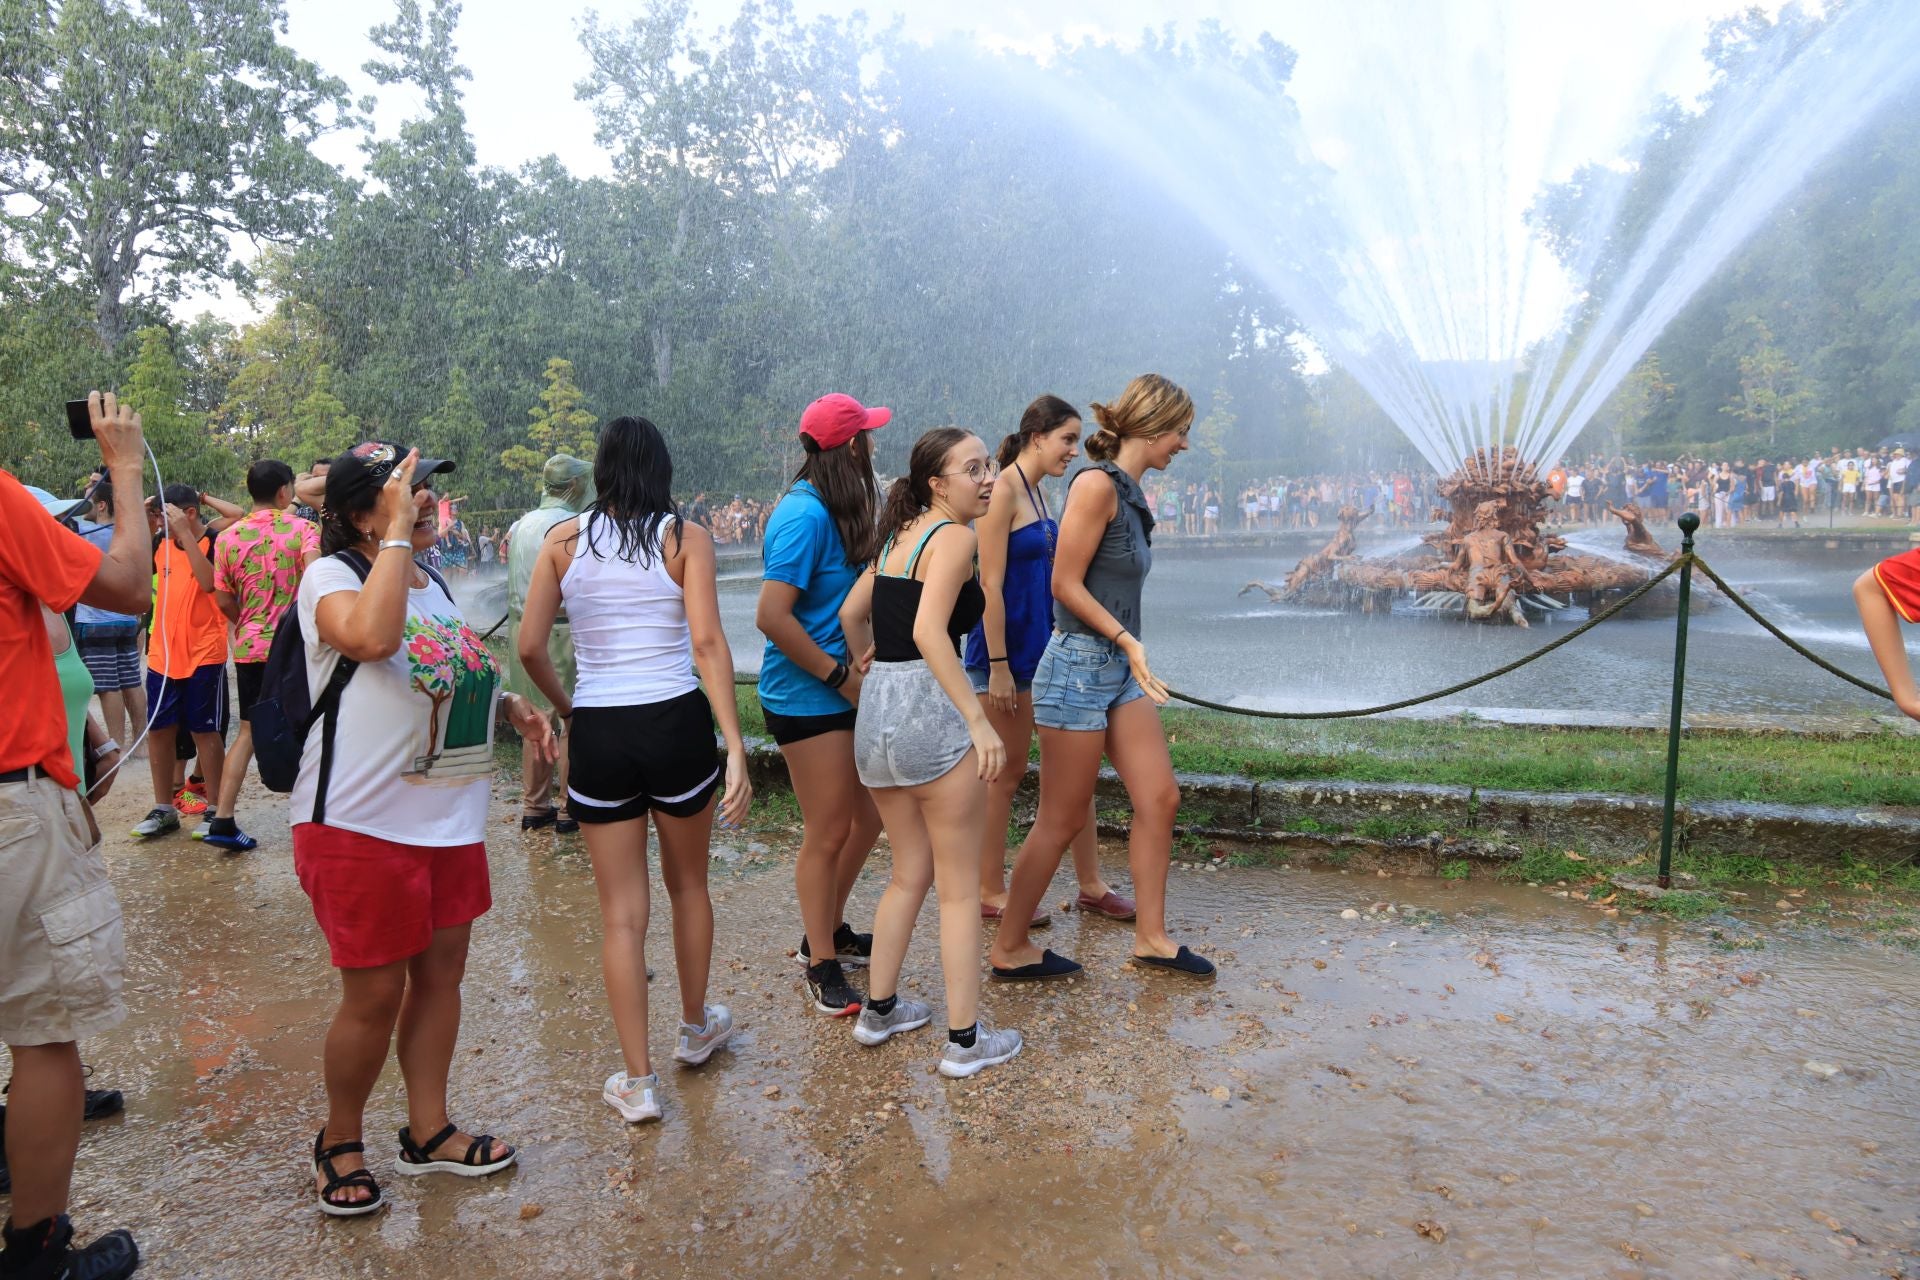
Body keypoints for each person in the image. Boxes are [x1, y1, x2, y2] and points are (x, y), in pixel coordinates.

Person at [295, 441, 554, 1216]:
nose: (427, 499)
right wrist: (398, 540)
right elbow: (372, 641)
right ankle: (339, 1141)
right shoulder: (330, 577)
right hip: (358, 822)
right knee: (372, 996)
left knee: (441, 981)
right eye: (406, 490)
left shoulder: (430, 579)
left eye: (426, 486)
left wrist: (510, 704)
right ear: (355, 514)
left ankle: (428, 1130)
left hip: (445, 820)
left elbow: (447, 658)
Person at [518, 417, 753, 1123]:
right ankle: (694, 1027)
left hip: (603, 728)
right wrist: (735, 744)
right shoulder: (686, 538)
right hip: (675, 719)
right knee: (688, 887)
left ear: (599, 471)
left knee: (621, 915)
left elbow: (531, 645)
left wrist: (568, 708)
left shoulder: (562, 543)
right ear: (662, 469)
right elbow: (708, 643)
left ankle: (639, 1082)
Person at [987, 373, 1215, 982]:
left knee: (1160, 797)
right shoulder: (1094, 486)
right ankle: (1009, 946)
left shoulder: (1131, 492)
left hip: (1117, 668)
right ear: (1150, 426)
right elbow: (1063, 584)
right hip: (1079, 667)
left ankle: (1152, 938)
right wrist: (1125, 639)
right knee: (1061, 817)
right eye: (1179, 432)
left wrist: (1127, 649)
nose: (1183, 445)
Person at [0, 392, 152, 1280]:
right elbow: (127, 587)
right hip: (13, 803)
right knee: (43, 1031)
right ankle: (36, 1251)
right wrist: (124, 468)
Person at [838, 427, 1024, 1076]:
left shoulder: (899, 535)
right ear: (936, 483)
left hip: (880, 718)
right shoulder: (954, 538)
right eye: (972, 468)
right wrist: (977, 721)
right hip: (930, 716)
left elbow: (850, 614)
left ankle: (878, 1010)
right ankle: (965, 1043)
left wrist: (874, 658)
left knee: (905, 872)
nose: (987, 478)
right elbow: (928, 631)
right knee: (955, 889)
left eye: (990, 466)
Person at [965, 395, 1133, 927]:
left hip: (1045, 650)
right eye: (1066, 439)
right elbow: (987, 584)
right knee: (1006, 775)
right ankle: (989, 889)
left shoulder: (1037, 492)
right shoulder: (1002, 491)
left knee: (1071, 774)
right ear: (1037, 437)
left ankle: (1091, 884)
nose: (1073, 450)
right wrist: (995, 665)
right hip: (1006, 657)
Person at [753, 393, 886, 1016]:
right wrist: (840, 677)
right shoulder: (802, 516)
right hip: (808, 697)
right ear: (851, 446)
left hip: (844, 690)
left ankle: (826, 928)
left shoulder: (841, 507)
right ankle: (822, 966)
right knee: (830, 828)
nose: (874, 445)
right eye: (867, 435)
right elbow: (772, 618)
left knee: (868, 821)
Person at [202, 460, 319, 852]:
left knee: (249, 731)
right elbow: (315, 584)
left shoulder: (228, 539)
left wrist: (250, 621)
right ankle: (316, 822)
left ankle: (222, 818)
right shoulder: (304, 530)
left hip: (250, 648)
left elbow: (222, 598)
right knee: (312, 729)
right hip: (296, 649)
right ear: (285, 492)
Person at [130, 485, 230, 840]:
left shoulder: (214, 542)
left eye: (165, 518)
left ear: (188, 514)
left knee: (205, 730)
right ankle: (164, 808)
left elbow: (208, 585)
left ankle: (217, 807)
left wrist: (186, 536)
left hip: (204, 652)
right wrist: (145, 521)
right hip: (163, 654)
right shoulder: (160, 543)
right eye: (159, 518)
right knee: (159, 729)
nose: (162, 524)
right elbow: (138, 573)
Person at [505, 456, 593, 833]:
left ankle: (534, 805)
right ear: (574, 486)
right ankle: (569, 805)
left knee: (534, 718)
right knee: (569, 718)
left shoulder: (520, 524)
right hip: (560, 630)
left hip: (520, 629)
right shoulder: (571, 526)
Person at [70, 479, 149, 759]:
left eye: (87, 499)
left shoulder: (82, 530)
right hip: (127, 619)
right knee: (131, 681)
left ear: (101, 505)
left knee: (108, 687)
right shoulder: (127, 533)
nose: (81, 506)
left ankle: (117, 745)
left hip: (95, 621)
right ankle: (141, 744)